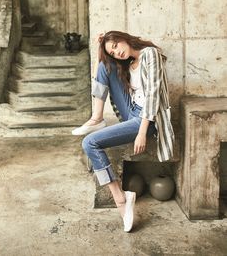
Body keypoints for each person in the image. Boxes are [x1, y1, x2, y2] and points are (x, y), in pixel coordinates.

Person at [72, 30, 175, 232]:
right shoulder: (128, 62)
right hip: (131, 111)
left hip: (147, 118)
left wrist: (142, 131)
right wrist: (99, 49)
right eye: (112, 51)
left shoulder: (150, 54)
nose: (117, 52)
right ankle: (97, 117)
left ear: (124, 39)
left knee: (89, 143)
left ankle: (120, 199)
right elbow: (100, 73)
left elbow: (153, 96)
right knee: (103, 65)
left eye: (116, 46)